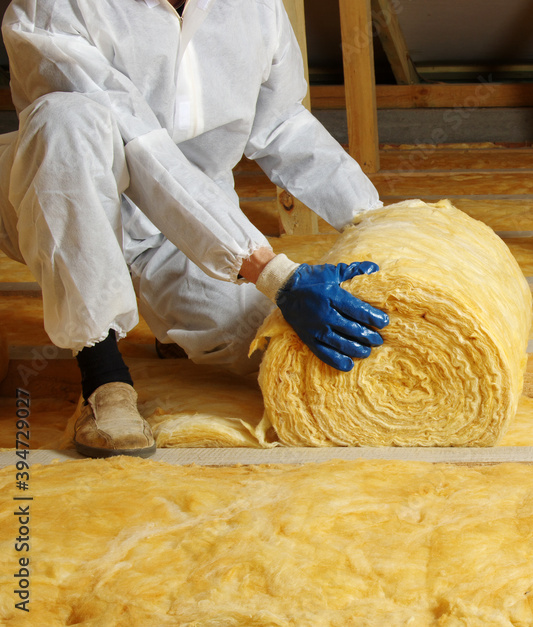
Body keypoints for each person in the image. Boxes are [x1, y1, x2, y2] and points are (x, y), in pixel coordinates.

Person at [0, 0, 390, 459]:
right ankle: (102, 375)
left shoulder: (255, 8)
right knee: (66, 119)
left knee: (276, 341)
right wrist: (269, 271)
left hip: (194, 225)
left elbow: (283, 122)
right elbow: (138, 146)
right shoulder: (56, 5)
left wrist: (378, 218)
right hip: (59, 199)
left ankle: (173, 332)